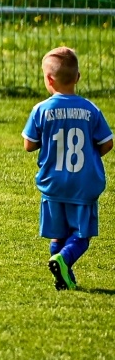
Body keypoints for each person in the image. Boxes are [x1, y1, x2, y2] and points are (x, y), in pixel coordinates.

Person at [23, 46, 112, 291]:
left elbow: (29, 145)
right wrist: (89, 155)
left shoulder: (40, 110)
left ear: (49, 79)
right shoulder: (91, 109)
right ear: (78, 77)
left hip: (53, 183)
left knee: (58, 235)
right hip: (83, 185)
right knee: (82, 236)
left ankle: (62, 270)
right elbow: (107, 143)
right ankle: (64, 262)